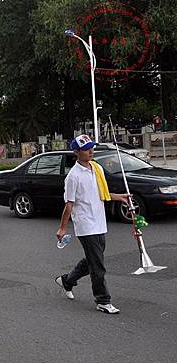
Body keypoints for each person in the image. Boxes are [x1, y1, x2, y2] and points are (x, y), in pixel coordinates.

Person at [55, 134, 130, 314]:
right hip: (85, 224)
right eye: (86, 149)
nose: (90, 151)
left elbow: (101, 193)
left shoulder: (96, 168)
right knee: (98, 265)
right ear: (76, 152)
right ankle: (103, 300)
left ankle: (68, 280)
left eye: (91, 147)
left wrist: (118, 197)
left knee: (93, 259)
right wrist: (63, 227)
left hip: (99, 221)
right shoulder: (73, 177)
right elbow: (69, 204)